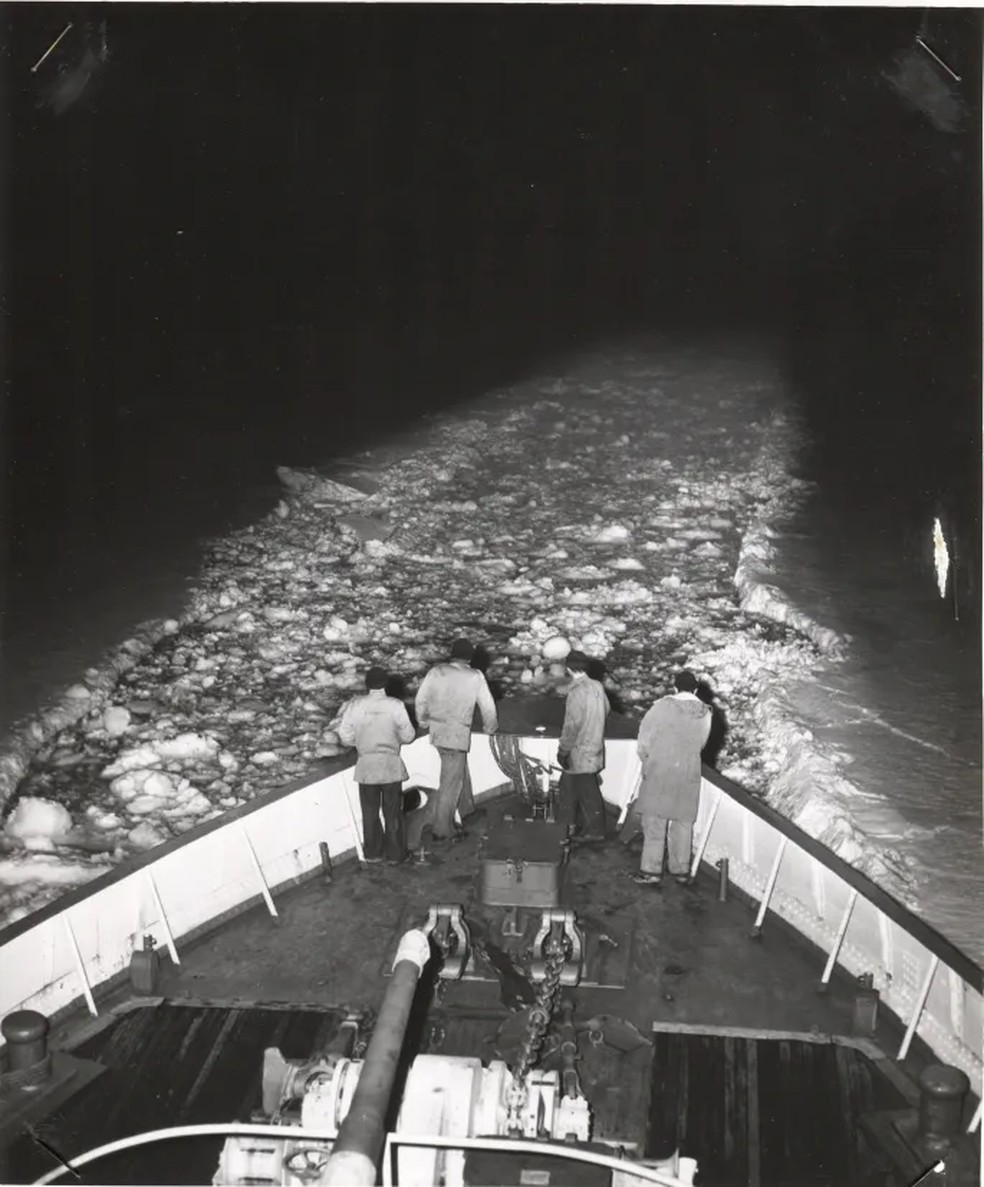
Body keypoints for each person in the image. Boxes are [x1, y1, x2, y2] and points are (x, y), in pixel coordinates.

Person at [413, 638, 498, 842]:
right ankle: (442, 830)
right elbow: (488, 706)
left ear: (452, 654)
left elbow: (420, 700)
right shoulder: (474, 676)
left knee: (457, 774)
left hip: (438, 733)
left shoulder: (436, 672)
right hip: (457, 735)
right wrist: (490, 728)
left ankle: (467, 811)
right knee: (451, 782)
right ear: (469, 658)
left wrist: (423, 721)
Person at [633, 670, 712, 887]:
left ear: (675, 688)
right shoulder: (706, 713)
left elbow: (645, 739)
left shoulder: (662, 707)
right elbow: (702, 743)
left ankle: (650, 871)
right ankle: (680, 870)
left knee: (655, 820)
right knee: (683, 822)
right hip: (689, 771)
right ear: (695, 690)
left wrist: (647, 760)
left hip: (661, 768)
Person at [337, 665, 415, 864]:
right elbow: (409, 735)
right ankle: (396, 855)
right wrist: (395, 739)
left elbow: (345, 736)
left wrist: (362, 743)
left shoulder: (355, 706)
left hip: (366, 767)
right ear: (385, 684)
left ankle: (373, 853)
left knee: (370, 812)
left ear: (367, 685)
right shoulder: (395, 705)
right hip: (390, 765)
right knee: (392, 812)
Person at [556, 650, 609, 841]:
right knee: (570, 786)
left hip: (579, 751)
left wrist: (563, 750)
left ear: (568, 668)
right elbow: (607, 709)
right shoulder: (597, 686)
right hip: (595, 747)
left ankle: (593, 832)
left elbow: (572, 726)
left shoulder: (576, 692)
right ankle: (568, 827)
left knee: (584, 791)